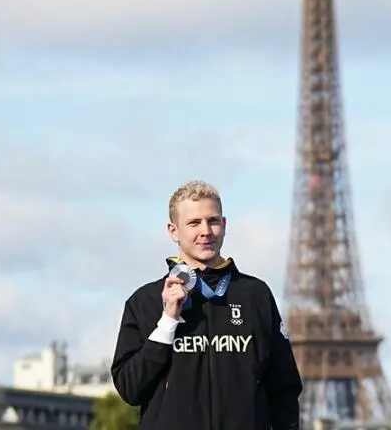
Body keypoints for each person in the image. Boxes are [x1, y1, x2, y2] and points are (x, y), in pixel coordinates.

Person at [111, 180, 302, 430]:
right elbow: (130, 388)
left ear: (224, 225)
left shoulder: (255, 295)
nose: (206, 231)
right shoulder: (145, 301)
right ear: (173, 231)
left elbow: (284, 389)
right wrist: (167, 322)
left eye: (213, 221)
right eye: (193, 223)